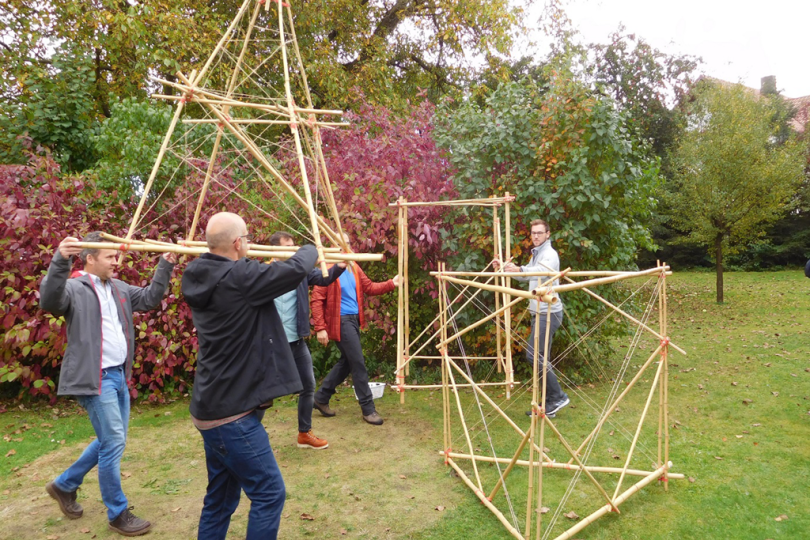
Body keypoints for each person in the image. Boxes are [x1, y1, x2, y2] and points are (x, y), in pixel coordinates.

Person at [181, 212, 318, 540]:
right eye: (247, 237)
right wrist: (311, 247)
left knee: (221, 498)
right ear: (237, 243)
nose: (250, 242)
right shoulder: (238, 277)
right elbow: (297, 268)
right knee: (270, 494)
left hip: (211, 407)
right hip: (232, 417)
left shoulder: (198, 273)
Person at [40, 231, 177, 537]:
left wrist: (165, 264)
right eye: (110, 257)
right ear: (90, 258)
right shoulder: (73, 287)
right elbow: (49, 300)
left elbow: (151, 298)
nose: (117, 261)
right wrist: (60, 258)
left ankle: (64, 485)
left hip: (117, 375)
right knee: (113, 442)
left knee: (110, 440)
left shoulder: (119, 288)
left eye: (117, 256)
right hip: (93, 378)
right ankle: (117, 513)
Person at [267, 231, 346, 450]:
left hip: (296, 341)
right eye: (288, 246)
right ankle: (249, 434)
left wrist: (340, 265)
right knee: (262, 390)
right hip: (271, 343)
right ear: (274, 250)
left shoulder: (299, 272)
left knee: (308, 385)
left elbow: (324, 277)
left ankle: (304, 433)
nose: (294, 250)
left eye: (295, 245)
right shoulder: (263, 272)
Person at [311, 236, 400, 426]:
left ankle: (320, 397)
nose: (345, 248)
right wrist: (320, 328)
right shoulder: (327, 269)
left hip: (353, 321)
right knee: (358, 363)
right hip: (340, 322)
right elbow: (317, 300)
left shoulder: (354, 267)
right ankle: (368, 409)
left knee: (347, 362)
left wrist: (392, 283)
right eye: (340, 244)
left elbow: (369, 287)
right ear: (333, 247)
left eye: (347, 244)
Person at [498, 219, 569, 418]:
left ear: (548, 234)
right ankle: (548, 404)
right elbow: (527, 276)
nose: (535, 236)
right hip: (538, 312)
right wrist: (508, 268)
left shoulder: (550, 255)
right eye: (533, 233)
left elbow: (540, 272)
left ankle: (557, 397)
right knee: (540, 357)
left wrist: (520, 270)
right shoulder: (537, 254)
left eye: (539, 233)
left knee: (534, 356)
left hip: (549, 312)